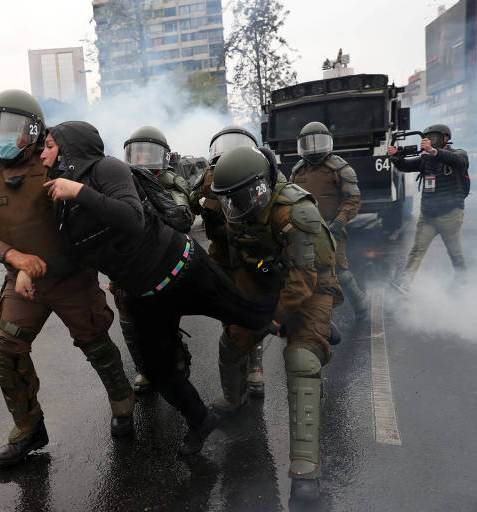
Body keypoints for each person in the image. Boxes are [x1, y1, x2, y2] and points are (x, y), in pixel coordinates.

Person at [39, 121, 273, 455]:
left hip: (183, 269)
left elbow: (132, 218)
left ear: (69, 149)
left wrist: (79, 191)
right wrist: (30, 270)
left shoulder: (108, 169)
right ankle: (200, 420)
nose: (43, 155)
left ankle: (299, 323)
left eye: (49, 146)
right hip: (146, 297)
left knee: (248, 314)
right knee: (158, 371)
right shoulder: (61, 204)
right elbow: (75, 257)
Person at [0, 90, 135, 468]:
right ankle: (28, 428)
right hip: (24, 283)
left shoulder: (57, 162)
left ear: (33, 129)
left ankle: (123, 404)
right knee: (7, 348)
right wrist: (14, 258)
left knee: (96, 344)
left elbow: (95, 211)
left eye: (8, 128)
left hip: (72, 276)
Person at [210, 145, 343, 499]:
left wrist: (273, 319)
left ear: (260, 185)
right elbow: (237, 263)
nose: (234, 205)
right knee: (233, 339)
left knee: (301, 358)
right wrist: (240, 311)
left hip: (312, 282)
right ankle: (233, 399)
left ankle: (305, 466)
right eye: (228, 199)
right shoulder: (238, 210)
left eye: (240, 196)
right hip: (268, 280)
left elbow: (304, 278)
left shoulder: (296, 211)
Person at [189, 126, 269, 400]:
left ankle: (255, 367)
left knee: (252, 310)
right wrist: (202, 197)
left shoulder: (256, 173)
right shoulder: (209, 176)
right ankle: (237, 376)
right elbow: (192, 202)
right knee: (227, 310)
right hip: (221, 256)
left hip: (250, 256)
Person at [114, 125, 194, 393]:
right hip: (128, 266)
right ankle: (144, 369)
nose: (142, 160)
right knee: (129, 322)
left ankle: (177, 360)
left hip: (163, 265)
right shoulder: (118, 182)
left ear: (163, 157)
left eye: (149, 154)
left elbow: (181, 213)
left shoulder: (171, 183)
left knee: (164, 321)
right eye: (137, 154)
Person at [291, 122, 369, 321]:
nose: (315, 147)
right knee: (301, 270)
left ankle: (361, 306)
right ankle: (309, 315)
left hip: (331, 227)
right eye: (310, 143)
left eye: (319, 142)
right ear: (302, 145)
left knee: (340, 271)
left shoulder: (339, 167)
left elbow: (353, 199)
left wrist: (339, 222)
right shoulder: (298, 170)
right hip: (304, 229)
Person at [388, 124, 469, 294]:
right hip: (428, 215)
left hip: (451, 214)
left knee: (454, 251)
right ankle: (405, 284)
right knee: (417, 249)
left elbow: (459, 162)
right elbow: (406, 166)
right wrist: (395, 158)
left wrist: (433, 151)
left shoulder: (458, 154)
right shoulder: (426, 159)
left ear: (445, 138)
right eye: (426, 137)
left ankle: (463, 281)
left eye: (432, 137)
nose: (428, 140)